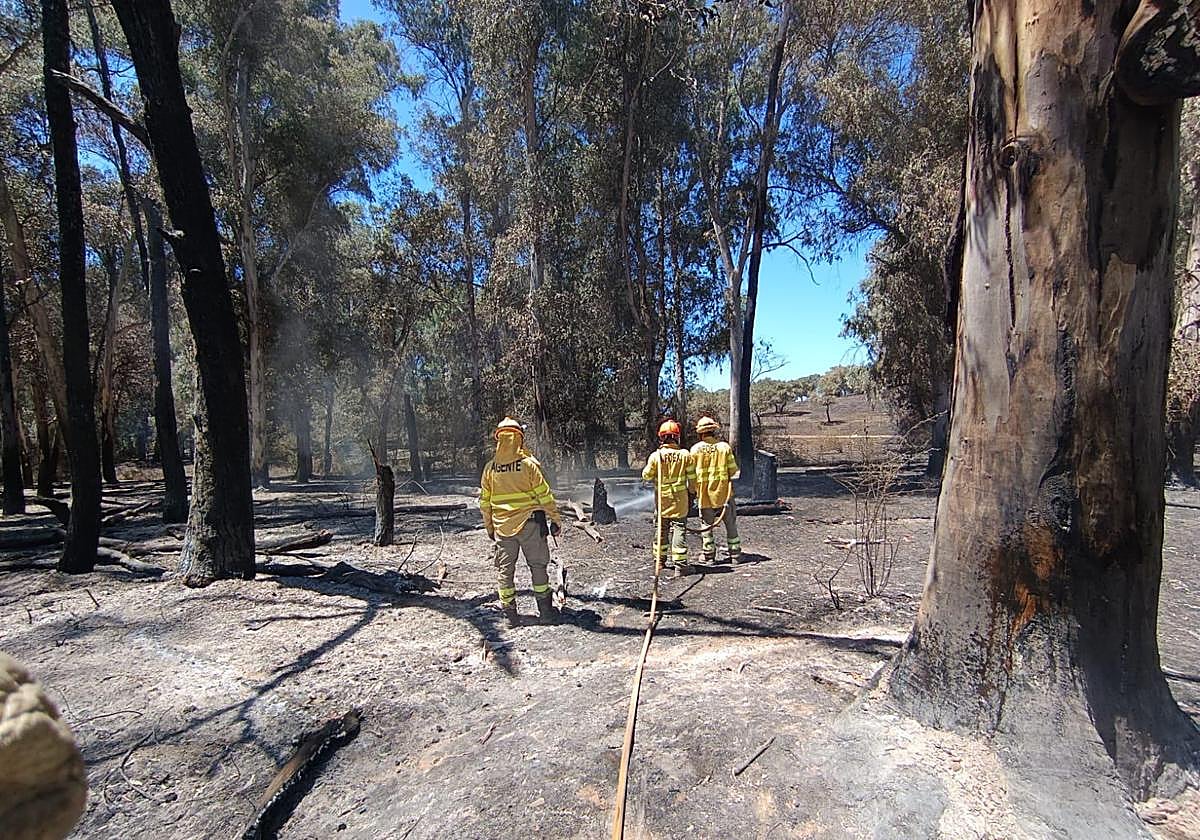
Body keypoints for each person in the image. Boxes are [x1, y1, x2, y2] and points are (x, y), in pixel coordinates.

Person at [479, 417, 563, 627]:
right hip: (531, 525)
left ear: (498, 440)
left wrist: (490, 528)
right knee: (538, 566)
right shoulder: (529, 465)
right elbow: (545, 496)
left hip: (502, 529)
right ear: (519, 439)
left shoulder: (490, 469)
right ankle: (545, 613)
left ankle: (510, 617)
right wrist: (556, 519)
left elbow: (485, 503)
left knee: (505, 572)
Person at [642, 419, 697, 577]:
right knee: (679, 529)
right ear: (677, 437)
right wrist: (693, 492)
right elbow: (692, 479)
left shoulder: (656, 456)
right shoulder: (685, 455)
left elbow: (646, 475)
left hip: (662, 501)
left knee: (661, 529)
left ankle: (659, 561)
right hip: (680, 501)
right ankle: (680, 566)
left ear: (661, 438)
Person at [690, 416, 742, 564]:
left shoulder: (695, 450)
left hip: (705, 496)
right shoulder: (724, 447)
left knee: (706, 527)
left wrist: (693, 491)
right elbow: (733, 471)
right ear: (714, 431)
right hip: (724, 494)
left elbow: (692, 476)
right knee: (730, 524)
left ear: (700, 434)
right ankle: (735, 555)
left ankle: (709, 556)